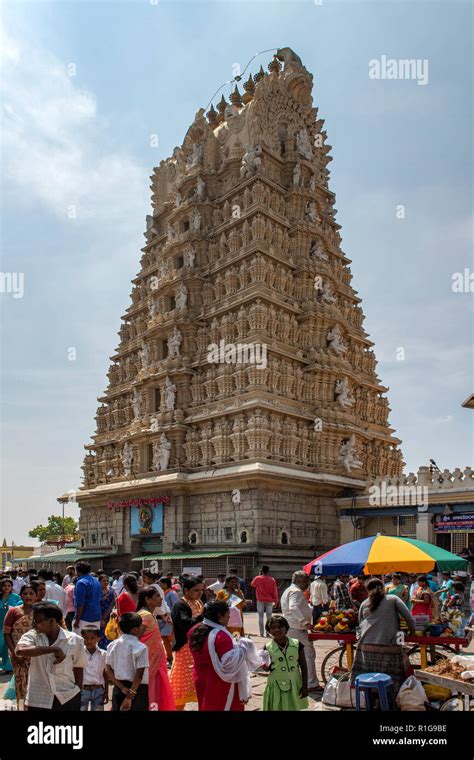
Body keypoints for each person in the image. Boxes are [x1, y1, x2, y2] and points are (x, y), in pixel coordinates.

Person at [188, 600, 264, 711]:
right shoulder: (221, 636)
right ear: (220, 616)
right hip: (220, 683)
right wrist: (243, 647)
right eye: (228, 614)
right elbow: (230, 665)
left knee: (205, 705)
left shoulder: (194, 630)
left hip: (201, 677)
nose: (229, 617)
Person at [16, 601, 87, 710]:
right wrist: (53, 649)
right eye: (33, 620)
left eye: (38, 621)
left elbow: (79, 667)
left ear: (52, 621)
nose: (34, 624)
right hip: (38, 698)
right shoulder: (33, 636)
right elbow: (20, 650)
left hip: (67, 696)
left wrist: (77, 690)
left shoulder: (75, 640)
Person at [351, 579, 415, 694]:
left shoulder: (364, 603)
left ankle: (372, 699)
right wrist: (413, 632)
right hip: (389, 645)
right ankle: (389, 700)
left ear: (368, 590)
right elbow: (409, 618)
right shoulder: (393, 599)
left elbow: (360, 624)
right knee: (392, 677)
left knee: (369, 678)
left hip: (365, 646)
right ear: (383, 587)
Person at [280, 571, 321, 691]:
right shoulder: (295, 591)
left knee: (298, 656)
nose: (307, 584)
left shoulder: (289, 590)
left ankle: (301, 681)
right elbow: (293, 607)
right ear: (299, 581)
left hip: (292, 627)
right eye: (306, 582)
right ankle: (311, 683)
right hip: (297, 628)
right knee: (308, 655)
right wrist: (305, 622)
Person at [136, 587, 176, 710]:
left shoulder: (149, 614)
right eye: (157, 596)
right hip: (150, 660)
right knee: (151, 690)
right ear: (148, 600)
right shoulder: (146, 616)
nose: (161, 598)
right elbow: (136, 638)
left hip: (154, 659)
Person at [170, 576, 204, 710]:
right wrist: (203, 617)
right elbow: (187, 625)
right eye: (196, 590)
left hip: (197, 649)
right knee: (181, 686)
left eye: (201, 590)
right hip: (185, 650)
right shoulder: (180, 605)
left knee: (199, 684)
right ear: (186, 590)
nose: (200, 593)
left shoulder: (198, 602)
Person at [262, 614, 308, 711]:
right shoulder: (267, 647)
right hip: (276, 685)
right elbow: (268, 666)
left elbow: (303, 667)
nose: (277, 630)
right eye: (273, 628)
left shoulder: (297, 644)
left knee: (293, 706)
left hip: (294, 684)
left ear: (286, 628)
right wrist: (265, 667)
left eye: (280, 627)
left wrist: (305, 686)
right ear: (269, 630)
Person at [106, 612, 149, 711]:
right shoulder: (141, 648)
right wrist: (130, 696)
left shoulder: (112, 646)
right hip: (137, 690)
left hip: (119, 688)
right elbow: (139, 675)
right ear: (135, 630)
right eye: (140, 626)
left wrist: (121, 688)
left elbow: (108, 670)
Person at [3, 584, 38, 707]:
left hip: (37, 654)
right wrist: (15, 653)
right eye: (25, 593)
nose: (28, 596)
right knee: (20, 683)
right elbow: (7, 634)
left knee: (36, 684)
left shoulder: (40, 612)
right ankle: (21, 707)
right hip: (17, 655)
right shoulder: (13, 611)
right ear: (21, 595)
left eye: (31, 593)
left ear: (36, 595)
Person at [81, 626, 108, 711]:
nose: (89, 641)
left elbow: (105, 674)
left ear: (98, 639)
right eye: (86, 638)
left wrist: (106, 692)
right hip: (83, 690)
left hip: (99, 690)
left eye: (92, 638)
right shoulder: (79, 653)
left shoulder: (104, 654)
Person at [0, 578, 22, 673]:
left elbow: (20, 607)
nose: (7, 588)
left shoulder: (16, 597)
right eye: (5, 586)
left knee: (6, 645)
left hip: (10, 624)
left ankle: (7, 667)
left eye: (9, 586)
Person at [73, 561, 102, 632]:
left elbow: (80, 603)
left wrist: (77, 620)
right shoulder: (96, 581)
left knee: (78, 642)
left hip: (84, 618)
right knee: (93, 642)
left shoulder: (81, 582)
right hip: (96, 617)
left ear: (78, 571)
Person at [251, 566, 279, 637]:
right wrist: (276, 601)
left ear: (261, 571)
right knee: (269, 617)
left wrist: (259, 575)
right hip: (269, 600)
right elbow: (275, 591)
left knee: (260, 616)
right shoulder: (272, 579)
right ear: (268, 571)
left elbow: (252, 585)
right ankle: (268, 632)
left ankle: (261, 633)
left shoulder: (258, 578)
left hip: (260, 600)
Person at [158, 577, 180, 664]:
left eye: (161, 583)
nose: (159, 585)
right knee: (165, 639)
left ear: (166, 584)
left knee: (171, 639)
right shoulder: (163, 593)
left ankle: (175, 658)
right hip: (164, 620)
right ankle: (169, 658)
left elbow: (175, 607)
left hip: (170, 620)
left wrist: (172, 618)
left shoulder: (172, 594)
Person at [98, 573, 116, 649]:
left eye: (107, 580)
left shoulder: (112, 592)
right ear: (99, 581)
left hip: (108, 617)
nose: (105, 582)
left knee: (108, 634)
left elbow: (112, 605)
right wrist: (100, 619)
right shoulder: (96, 592)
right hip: (97, 616)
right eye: (103, 580)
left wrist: (104, 619)